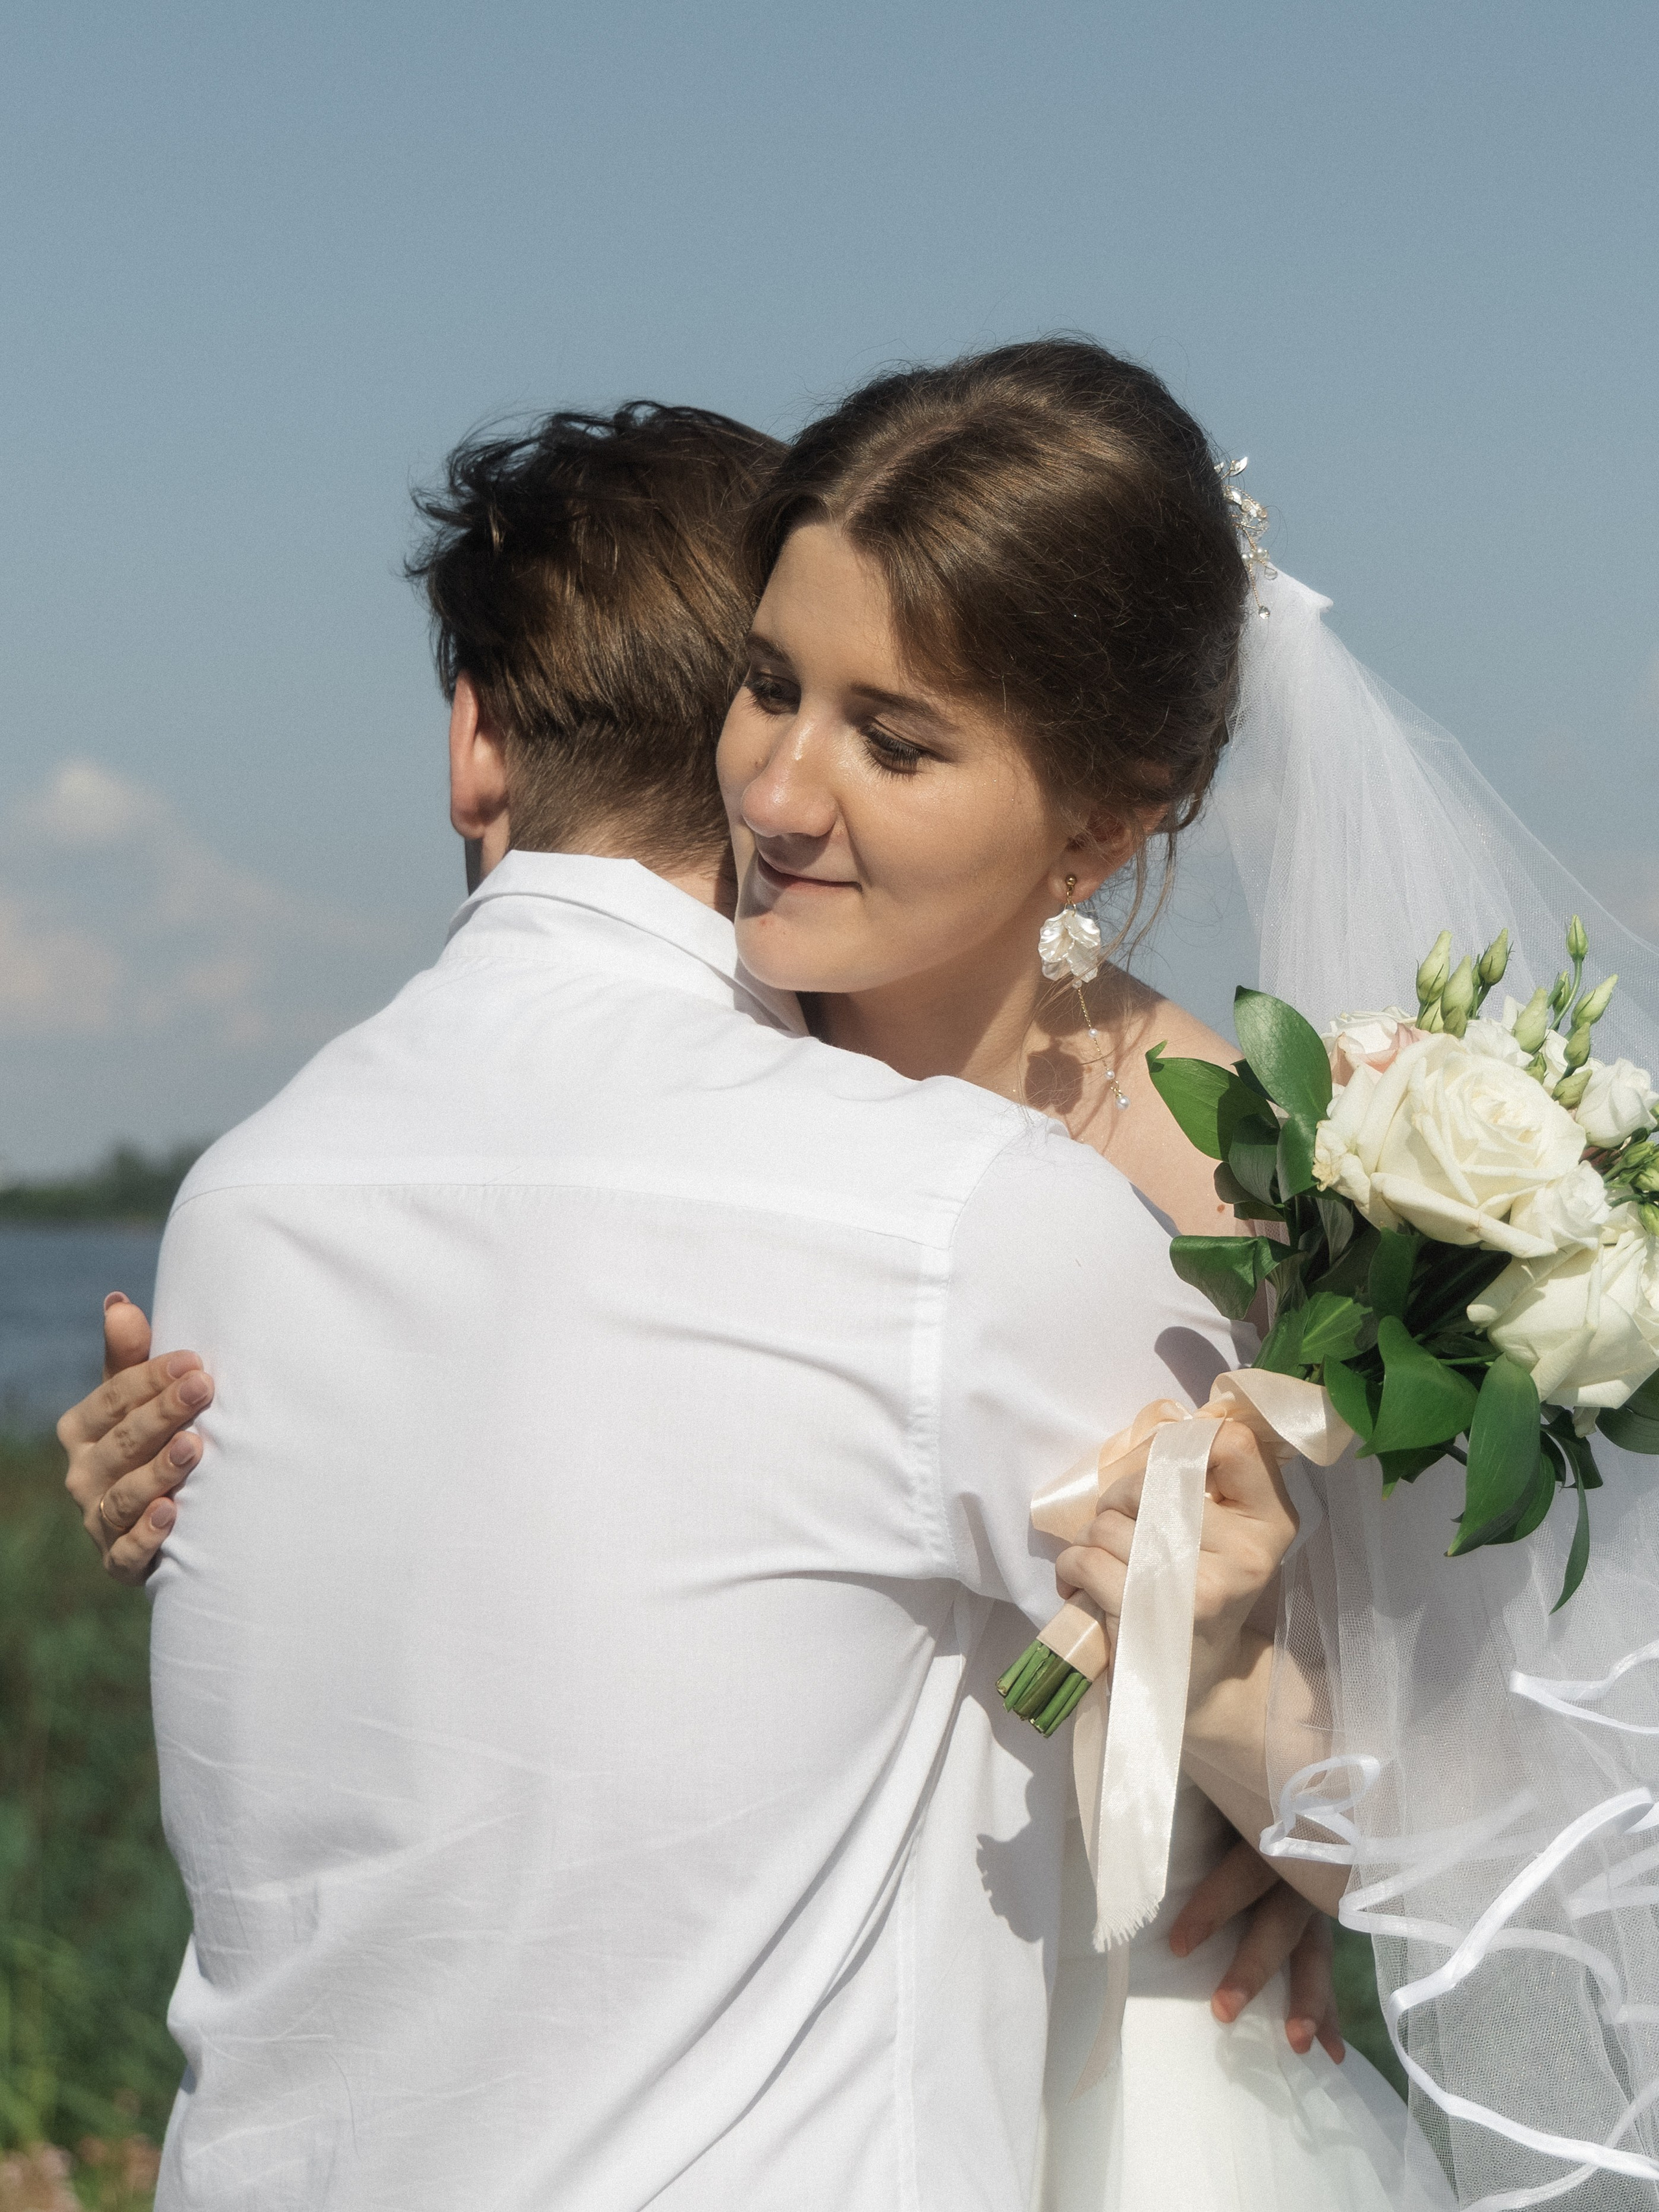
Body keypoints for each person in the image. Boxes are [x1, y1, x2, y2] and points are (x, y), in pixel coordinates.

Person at [60, 390, 1326, 2212]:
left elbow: (1422, 1739)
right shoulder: (781, 1095)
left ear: (1100, 834)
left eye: (892, 739)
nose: (777, 791)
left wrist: (1263, 1777)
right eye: (763, 686)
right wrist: (192, 1483)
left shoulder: (1168, 1182)